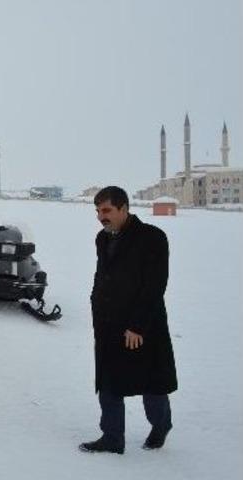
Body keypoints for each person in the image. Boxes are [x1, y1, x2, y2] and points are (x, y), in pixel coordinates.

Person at [80, 186, 177, 455]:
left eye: (107, 210)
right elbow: (104, 275)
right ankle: (112, 437)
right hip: (108, 322)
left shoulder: (153, 238)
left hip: (142, 324)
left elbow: (155, 285)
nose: (101, 216)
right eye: (98, 211)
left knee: (150, 381)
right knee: (108, 381)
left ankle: (161, 425)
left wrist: (137, 326)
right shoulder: (103, 238)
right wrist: (94, 301)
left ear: (124, 208)